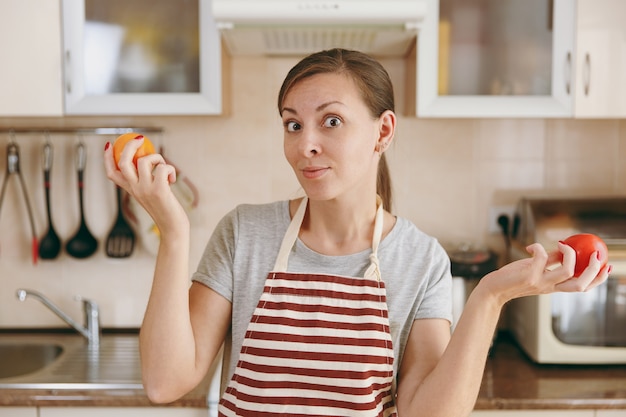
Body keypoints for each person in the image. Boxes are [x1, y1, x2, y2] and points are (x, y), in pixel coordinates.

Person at [104, 48, 611, 417]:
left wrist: (490, 296)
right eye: (293, 124)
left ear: (383, 131)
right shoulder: (245, 234)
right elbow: (165, 381)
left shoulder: (419, 259)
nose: (307, 145)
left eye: (331, 121)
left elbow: (424, 412)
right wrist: (173, 231)